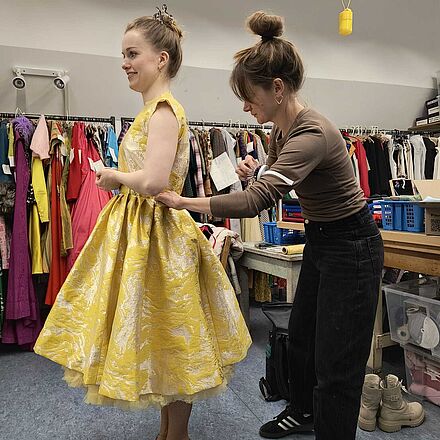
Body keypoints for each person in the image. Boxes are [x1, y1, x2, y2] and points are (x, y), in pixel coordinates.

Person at [157, 10, 384, 440]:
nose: (245, 106)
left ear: (277, 89)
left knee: (337, 365)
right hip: (322, 240)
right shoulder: (282, 131)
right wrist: (256, 170)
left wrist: (185, 201)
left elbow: (262, 199)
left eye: (249, 96)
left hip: (352, 245)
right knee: (300, 340)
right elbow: (276, 178)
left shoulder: (311, 132)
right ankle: (303, 411)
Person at [33, 6, 251, 440]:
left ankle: (178, 435)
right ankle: (167, 432)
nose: (125, 63)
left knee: (173, 336)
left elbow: (152, 181)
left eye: (133, 53)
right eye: (124, 54)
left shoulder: (165, 111)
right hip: (141, 233)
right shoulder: (152, 110)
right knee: (160, 337)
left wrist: (112, 176)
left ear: (161, 60)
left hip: (158, 235)